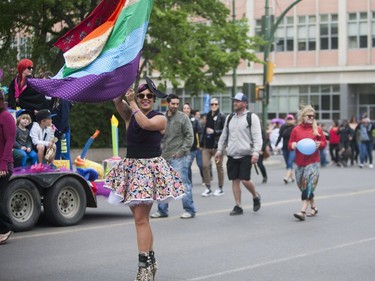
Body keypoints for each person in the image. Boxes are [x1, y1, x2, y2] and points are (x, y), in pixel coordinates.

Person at [105, 79, 185, 280]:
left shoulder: (160, 119)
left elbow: (145, 123)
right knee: (141, 220)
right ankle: (150, 261)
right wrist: (121, 81)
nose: (145, 98)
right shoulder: (130, 116)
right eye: (141, 96)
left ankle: (144, 268)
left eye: (149, 96)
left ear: (154, 99)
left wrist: (132, 103)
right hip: (132, 169)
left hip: (148, 170)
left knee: (140, 220)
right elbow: (117, 101)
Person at [215, 93, 262, 216]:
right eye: (234, 101)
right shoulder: (230, 118)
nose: (235, 103)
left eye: (238, 101)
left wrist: (256, 152)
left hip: (246, 153)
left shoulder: (252, 117)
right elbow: (224, 135)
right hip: (232, 154)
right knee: (235, 180)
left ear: (244, 103)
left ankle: (255, 196)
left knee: (245, 180)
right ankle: (238, 205)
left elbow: (257, 137)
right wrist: (219, 150)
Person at [151, 94, 196, 219]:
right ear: (167, 103)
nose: (175, 106)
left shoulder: (183, 118)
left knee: (183, 183)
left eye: (177, 104)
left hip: (178, 157)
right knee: (161, 183)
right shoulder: (161, 118)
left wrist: (181, 152)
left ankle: (190, 210)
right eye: (173, 103)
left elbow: (189, 136)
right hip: (163, 156)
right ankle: (162, 210)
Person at [288, 105, 327, 221]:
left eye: (313, 116)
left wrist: (320, 145)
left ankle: (302, 211)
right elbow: (289, 144)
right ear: (303, 117)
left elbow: (324, 143)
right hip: (299, 163)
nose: (311, 118)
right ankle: (314, 207)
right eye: (309, 116)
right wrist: (293, 145)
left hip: (313, 162)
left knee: (308, 185)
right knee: (303, 186)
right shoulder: (296, 130)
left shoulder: (317, 129)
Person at [201, 98, 226, 197]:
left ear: (218, 105)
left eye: (215, 104)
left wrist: (214, 132)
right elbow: (204, 130)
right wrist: (202, 143)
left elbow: (225, 131)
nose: (214, 106)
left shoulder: (222, 116)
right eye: (212, 104)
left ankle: (220, 188)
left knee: (219, 167)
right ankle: (208, 187)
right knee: (205, 166)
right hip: (207, 146)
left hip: (217, 146)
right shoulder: (208, 115)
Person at [0, 90, 16, 245]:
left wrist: (3, 164)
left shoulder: (6, 116)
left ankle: (5, 228)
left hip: (3, 165)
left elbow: (10, 141)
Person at [182, 103, 203, 185]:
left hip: (193, 148)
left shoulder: (195, 120)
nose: (186, 110)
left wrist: (200, 144)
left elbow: (200, 132)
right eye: (184, 108)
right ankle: (187, 183)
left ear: (190, 110)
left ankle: (188, 183)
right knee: (185, 167)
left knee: (188, 165)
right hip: (181, 148)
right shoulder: (179, 119)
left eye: (188, 108)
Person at [51, 97, 73, 169]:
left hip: (63, 132)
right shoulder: (53, 99)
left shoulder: (64, 100)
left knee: (65, 155)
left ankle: (69, 173)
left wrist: (60, 131)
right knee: (55, 154)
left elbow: (65, 118)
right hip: (55, 132)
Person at [275, 114, 296, 183]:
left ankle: (286, 177)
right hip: (284, 148)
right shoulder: (283, 127)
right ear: (286, 120)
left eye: (291, 119)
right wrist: (276, 145)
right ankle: (291, 176)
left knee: (290, 162)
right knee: (287, 163)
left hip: (292, 148)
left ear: (294, 120)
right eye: (288, 119)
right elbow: (280, 136)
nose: (289, 121)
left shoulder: (295, 128)